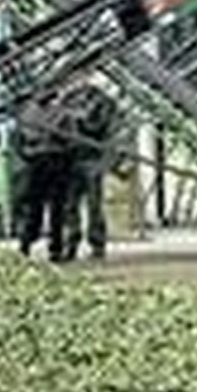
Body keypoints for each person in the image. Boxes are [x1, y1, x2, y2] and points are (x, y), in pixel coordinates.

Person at [59, 83, 119, 261]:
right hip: (71, 159)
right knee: (70, 205)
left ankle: (97, 244)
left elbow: (98, 127)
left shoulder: (102, 101)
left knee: (94, 205)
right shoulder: (69, 98)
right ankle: (72, 242)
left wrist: (77, 120)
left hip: (92, 159)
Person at [12, 93, 76, 259]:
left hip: (55, 161)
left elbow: (72, 141)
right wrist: (28, 155)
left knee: (56, 208)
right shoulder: (28, 113)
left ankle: (54, 247)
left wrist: (59, 144)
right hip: (38, 162)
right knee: (35, 206)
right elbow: (18, 140)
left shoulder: (63, 113)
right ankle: (27, 243)